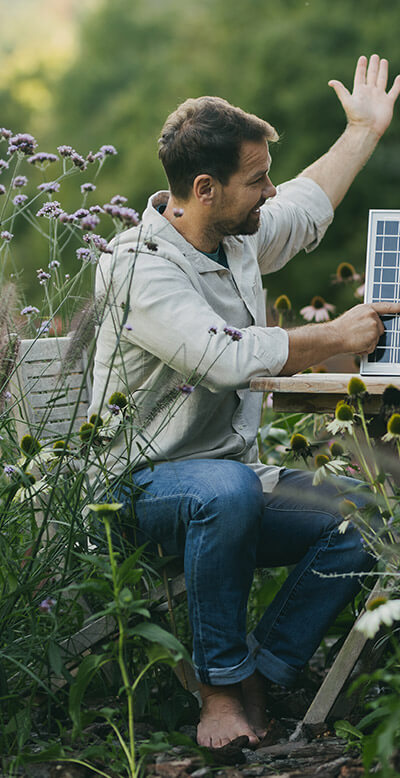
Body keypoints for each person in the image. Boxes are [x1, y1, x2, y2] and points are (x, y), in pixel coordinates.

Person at [88, 54, 400, 749]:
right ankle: (221, 689)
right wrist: (333, 336)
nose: (269, 192)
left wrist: (363, 132)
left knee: (363, 516)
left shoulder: (236, 237)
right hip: (134, 488)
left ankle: (268, 668)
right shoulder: (137, 267)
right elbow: (225, 355)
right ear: (205, 187)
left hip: (228, 481)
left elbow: (307, 205)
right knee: (225, 489)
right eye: (257, 180)